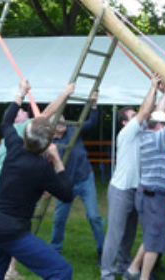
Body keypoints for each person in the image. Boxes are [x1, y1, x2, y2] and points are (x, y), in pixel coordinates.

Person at [0, 83, 75, 277]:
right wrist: (58, 161)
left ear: (25, 134)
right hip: (11, 231)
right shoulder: (43, 168)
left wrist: (20, 93)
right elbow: (68, 194)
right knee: (61, 270)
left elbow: (6, 122)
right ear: (47, 145)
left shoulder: (14, 146)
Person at [124, 81, 165, 280]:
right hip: (153, 196)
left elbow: (159, 115)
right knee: (156, 240)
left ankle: (133, 270)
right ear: (159, 126)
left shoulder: (148, 134)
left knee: (153, 235)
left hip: (150, 194)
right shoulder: (157, 138)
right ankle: (143, 277)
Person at [100, 75, 159, 280]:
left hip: (137, 189)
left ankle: (124, 264)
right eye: (133, 116)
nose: (139, 118)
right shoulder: (126, 133)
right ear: (125, 122)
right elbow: (145, 112)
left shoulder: (142, 132)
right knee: (115, 234)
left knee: (130, 234)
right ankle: (106, 272)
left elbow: (153, 112)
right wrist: (152, 87)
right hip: (121, 189)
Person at [50, 89, 104, 259]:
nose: (63, 123)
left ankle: (103, 251)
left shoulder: (73, 130)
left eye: (63, 120)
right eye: (58, 121)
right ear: (53, 127)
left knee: (94, 216)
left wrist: (93, 105)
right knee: (59, 218)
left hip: (84, 178)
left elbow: (92, 122)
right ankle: (55, 250)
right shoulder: (50, 143)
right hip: (66, 184)